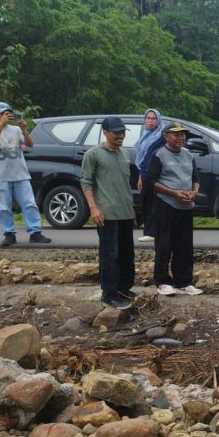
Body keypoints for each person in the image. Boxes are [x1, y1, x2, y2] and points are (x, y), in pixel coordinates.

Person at [80, 116, 136, 309]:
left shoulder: (124, 153)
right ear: (105, 132)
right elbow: (86, 182)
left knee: (127, 254)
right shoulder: (94, 154)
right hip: (107, 213)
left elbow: (124, 184)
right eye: (116, 133)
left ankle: (123, 289)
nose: (120, 136)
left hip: (125, 212)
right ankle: (109, 294)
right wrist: (93, 208)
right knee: (109, 255)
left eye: (122, 132)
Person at [0, 101, 52, 247]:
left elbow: (30, 144)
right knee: (3, 207)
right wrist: (1, 125)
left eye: (7, 113)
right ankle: (9, 234)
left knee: (30, 204)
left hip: (21, 174)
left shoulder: (15, 130)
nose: (5, 115)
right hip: (0, 175)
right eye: (1, 113)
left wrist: (24, 129)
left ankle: (35, 233)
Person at [144, 122, 203, 295]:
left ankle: (183, 282)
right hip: (166, 204)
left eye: (182, 134)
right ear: (166, 136)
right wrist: (173, 193)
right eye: (176, 134)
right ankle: (162, 281)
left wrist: (194, 192)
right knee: (164, 245)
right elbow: (150, 181)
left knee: (185, 246)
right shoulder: (159, 155)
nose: (181, 138)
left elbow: (195, 178)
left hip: (186, 206)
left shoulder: (188, 155)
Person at [134, 108, 166, 242]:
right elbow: (143, 160)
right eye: (148, 118)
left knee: (155, 204)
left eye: (154, 118)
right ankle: (149, 231)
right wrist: (140, 176)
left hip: (157, 175)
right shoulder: (144, 136)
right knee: (146, 203)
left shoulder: (162, 136)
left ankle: (153, 232)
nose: (151, 121)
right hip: (145, 174)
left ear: (158, 120)